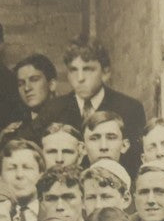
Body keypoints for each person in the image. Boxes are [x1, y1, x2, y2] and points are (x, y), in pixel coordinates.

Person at [63, 38, 147, 174]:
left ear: (105, 73)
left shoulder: (130, 109)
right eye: (73, 70)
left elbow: (136, 162)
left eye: (87, 69)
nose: (80, 78)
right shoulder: (53, 110)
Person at [10, 55, 77, 147]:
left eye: (34, 80)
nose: (26, 88)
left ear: (52, 84)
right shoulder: (17, 128)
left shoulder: (69, 114)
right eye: (21, 84)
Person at [0, 139, 47, 221]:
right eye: (11, 168)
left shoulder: (52, 213)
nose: (19, 175)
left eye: (27, 167)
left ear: (41, 173)